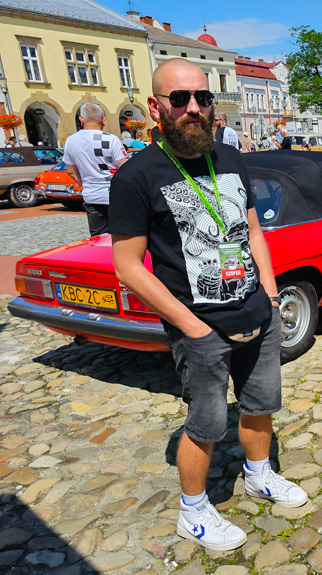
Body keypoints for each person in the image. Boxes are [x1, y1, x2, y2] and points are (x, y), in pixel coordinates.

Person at [110, 58, 308, 553]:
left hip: (256, 313)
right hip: (199, 325)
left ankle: (259, 474)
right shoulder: (136, 176)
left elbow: (252, 229)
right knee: (206, 422)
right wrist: (190, 327)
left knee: (261, 404)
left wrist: (268, 289)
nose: (193, 108)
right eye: (180, 100)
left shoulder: (229, 157)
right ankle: (193, 511)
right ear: (157, 107)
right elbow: (128, 265)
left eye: (202, 98)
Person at [63, 102, 128, 236]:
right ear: (103, 119)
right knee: (121, 235)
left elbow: (70, 170)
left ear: (81, 119)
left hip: (91, 195)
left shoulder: (71, 141)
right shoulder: (111, 139)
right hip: (114, 194)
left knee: (98, 237)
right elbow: (125, 168)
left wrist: (84, 184)